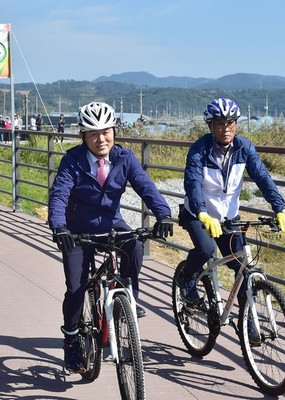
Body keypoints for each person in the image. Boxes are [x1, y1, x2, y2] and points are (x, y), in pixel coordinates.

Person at [47, 101, 174, 372]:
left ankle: (129, 298)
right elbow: (59, 194)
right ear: (83, 135)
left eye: (106, 132)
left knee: (135, 245)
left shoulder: (124, 158)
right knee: (76, 288)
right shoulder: (72, 160)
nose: (101, 139)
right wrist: (59, 227)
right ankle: (70, 340)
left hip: (112, 224)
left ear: (114, 131)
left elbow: (146, 187)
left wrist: (163, 214)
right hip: (77, 230)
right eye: (93, 133)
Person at [176, 98, 285, 345]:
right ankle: (186, 277)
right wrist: (202, 212)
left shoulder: (244, 148)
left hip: (228, 217)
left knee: (243, 269)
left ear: (236, 124)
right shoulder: (199, 150)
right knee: (206, 249)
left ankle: (248, 322)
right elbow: (193, 183)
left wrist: (280, 208)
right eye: (220, 123)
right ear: (210, 125)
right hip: (199, 214)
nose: (226, 128)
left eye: (230, 123)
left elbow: (262, 177)